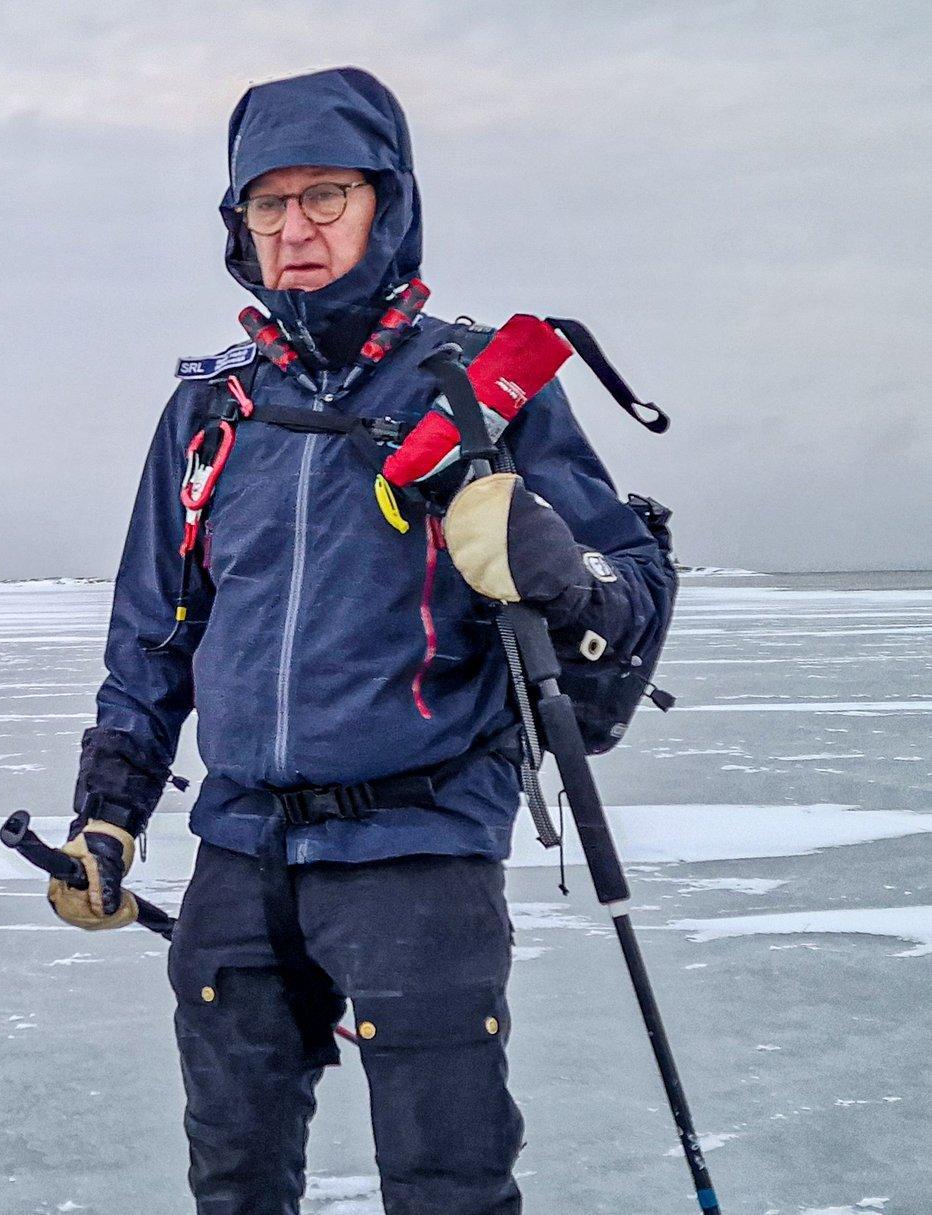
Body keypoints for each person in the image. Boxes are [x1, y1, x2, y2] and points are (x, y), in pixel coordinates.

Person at [45, 68, 674, 1213]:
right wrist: (108, 813)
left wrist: (549, 565)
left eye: (323, 196)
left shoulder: (480, 389)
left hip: (417, 846)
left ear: (386, 203)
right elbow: (152, 635)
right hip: (240, 848)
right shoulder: (209, 412)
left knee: (445, 1184)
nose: (293, 229)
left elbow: (627, 594)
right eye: (264, 203)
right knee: (232, 1178)